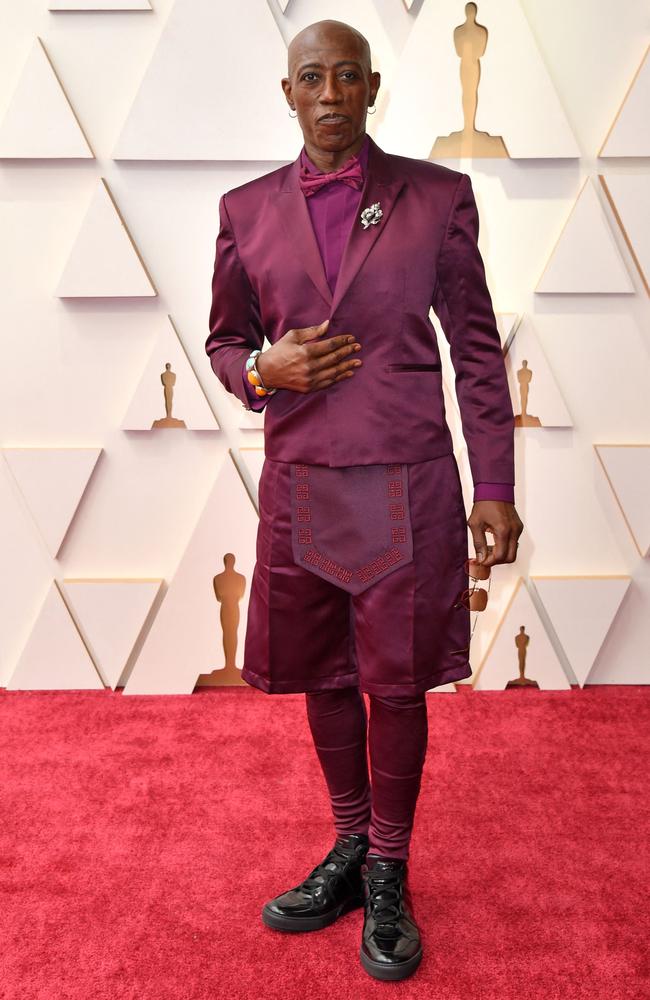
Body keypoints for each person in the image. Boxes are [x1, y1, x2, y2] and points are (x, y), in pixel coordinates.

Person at [205, 18, 523, 982]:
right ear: (288, 92)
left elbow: (476, 349)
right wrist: (267, 366)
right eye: (313, 78)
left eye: (349, 76)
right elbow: (226, 342)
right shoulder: (246, 209)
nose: (332, 93)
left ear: (373, 87)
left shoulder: (437, 198)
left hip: (409, 482)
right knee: (326, 676)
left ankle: (389, 865)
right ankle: (347, 850)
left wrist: (497, 486)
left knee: (394, 681)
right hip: (301, 487)